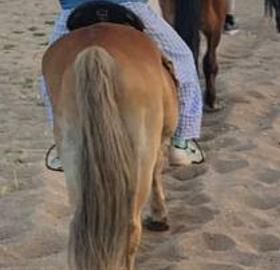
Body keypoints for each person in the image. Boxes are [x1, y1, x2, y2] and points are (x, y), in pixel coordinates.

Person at [43, 0, 205, 170]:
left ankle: (63, 143)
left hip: (74, 9)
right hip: (129, 5)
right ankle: (181, 142)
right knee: (183, 58)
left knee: (49, 74)